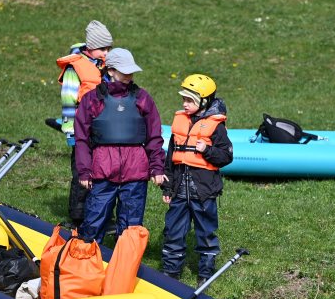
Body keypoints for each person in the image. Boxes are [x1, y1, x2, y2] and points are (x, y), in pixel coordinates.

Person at [73, 48, 166, 244]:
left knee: (131, 229)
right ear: (111, 70)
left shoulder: (142, 98)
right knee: (93, 223)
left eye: (131, 71)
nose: (129, 76)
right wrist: (84, 171)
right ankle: (88, 268)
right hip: (102, 170)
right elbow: (81, 139)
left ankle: (125, 270)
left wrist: (157, 168)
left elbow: (154, 137)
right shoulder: (92, 99)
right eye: (125, 71)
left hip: (135, 171)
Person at [160, 74, 233, 286]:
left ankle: (206, 273)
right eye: (183, 99)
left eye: (189, 100)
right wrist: (167, 187)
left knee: (206, 233)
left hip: (204, 193)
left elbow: (226, 156)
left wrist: (207, 150)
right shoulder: (180, 123)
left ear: (204, 101)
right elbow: (171, 159)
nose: (185, 104)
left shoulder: (216, 127)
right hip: (180, 192)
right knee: (173, 232)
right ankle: (171, 272)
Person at [55, 20, 113, 227]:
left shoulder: (106, 67)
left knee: (105, 172)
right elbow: (69, 103)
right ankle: (78, 218)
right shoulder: (76, 68)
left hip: (105, 132)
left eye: (109, 49)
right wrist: (70, 132)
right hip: (83, 131)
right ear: (89, 47)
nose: (106, 53)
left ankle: (103, 214)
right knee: (82, 173)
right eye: (102, 49)